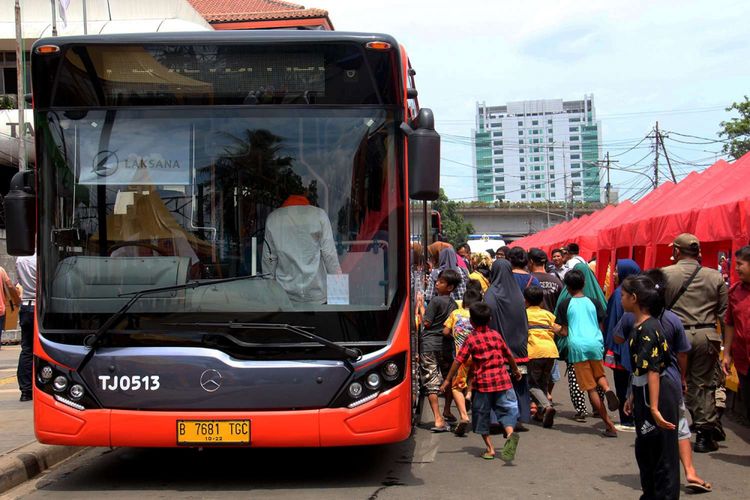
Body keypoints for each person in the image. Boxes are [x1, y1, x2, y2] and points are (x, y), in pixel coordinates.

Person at [662, 233, 727, 453]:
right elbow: (724, 314)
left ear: (677, 251)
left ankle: (671, 426)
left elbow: (656, 308)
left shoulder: (666, 274)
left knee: (672, 380)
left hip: (675, 334)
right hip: (706, 335)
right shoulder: (715, 276)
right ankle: (704, 434)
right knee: (704, 384)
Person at [620, 275, 680, 500]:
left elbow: (653, 369)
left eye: (624, 295)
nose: (621, 299)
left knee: (660, 455)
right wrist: (632, 396)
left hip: (656, 395)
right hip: (645, 393)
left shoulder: (648, 328)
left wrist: (653, 408)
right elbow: (641, 369)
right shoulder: (643, 324)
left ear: (634, 298)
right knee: (647, 451)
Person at [441, 302, 522, 462]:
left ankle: (490, 449)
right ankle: (511, 434)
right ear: (490, 319)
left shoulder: (471, 339)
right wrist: (515, 370)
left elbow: (458, 360)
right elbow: (509, 355)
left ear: (471, 322)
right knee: (504, 411)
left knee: (481, 416)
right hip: (502, 381)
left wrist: (448, 379)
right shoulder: (496, 335)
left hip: (483, 384)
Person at [555, 269, 619, 437]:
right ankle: (607, 389)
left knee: (590, 387)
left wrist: (555, 329)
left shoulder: (565, 304)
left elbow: (564, 331)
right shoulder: (594, 302)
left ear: (567, 287)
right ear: (584, 284)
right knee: (600, 375)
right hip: (595, 343)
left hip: (578, 347)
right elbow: (600, 323)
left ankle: (609, 425)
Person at [262, 188, 341, 304]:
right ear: (305, 193)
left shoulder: (273, 218)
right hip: (317, 297)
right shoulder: (319, 215)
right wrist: (340, 298)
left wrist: (270, 297)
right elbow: (330, 256)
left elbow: (268, 262)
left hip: (285, 298)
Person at [484, 259, 531, 429]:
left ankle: (497, 419)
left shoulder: (490, 294)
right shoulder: (518, 294)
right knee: (518, 382)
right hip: (519, 347)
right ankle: (518, 416)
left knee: (498, 383)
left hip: (498, 348)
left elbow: (487, 321)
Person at [604, 259, 642, 431]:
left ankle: (626, 419)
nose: (614, 274)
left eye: (617, 271)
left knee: (622, 383)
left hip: (622, 346)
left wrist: (609, 346)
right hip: (639, 346)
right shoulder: (641, 293)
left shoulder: (619, 294)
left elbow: (612, 323)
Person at [420, 269, 460, 432]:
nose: (437, 283)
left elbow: (427, 323)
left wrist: (421, 307)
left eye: (441, 282)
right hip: (446, 345)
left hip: (429, 345)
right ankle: (447, 410)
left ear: (450, 287)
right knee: (447, 379)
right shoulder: (453, 304)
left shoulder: (435, 301)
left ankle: (437, 418)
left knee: (431, 381)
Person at [443, 288, 483, 436]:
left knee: (456, 387)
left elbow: (445, 332)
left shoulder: (455, 314)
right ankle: (469, 394)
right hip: (478, 356)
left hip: (461, 357)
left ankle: (464, 416)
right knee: (472, 376)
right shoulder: (479, 316)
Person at [525, 285, 560, 428]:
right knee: (543, 382)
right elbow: (558, 329)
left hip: (534, 351)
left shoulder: (524, 314)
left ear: (525, 300)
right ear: (541, 301)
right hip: (550, 351)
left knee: (531, 384)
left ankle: (546, 406)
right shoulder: (548, 314)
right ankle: (540, 413)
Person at [723, 245, 750, 424]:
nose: (736, 268)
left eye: (740, 264)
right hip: (743, 361)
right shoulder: (735, 291)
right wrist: (726, 354)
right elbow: (730, 323)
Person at [16, 253, 36, 402]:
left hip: (25, 306)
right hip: (40, 305)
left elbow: (19, 283)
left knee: (27, 350)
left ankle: (25, 390)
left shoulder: (20, 259)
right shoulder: (42, 256)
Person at [528, 248, 563, 313]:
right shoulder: (556, 281)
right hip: (552, 321)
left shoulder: (527, 280)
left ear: (531, 261)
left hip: (532, 321)